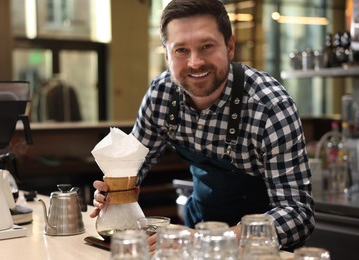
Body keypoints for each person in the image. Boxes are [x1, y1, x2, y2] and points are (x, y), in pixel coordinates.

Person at [91, 0, 315, 252]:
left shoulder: (269, 106)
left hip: (261, 251)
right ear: (166, 55)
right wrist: (114, 194)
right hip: (197, 234)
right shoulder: (162, 95)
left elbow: (298, 214)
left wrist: (215, 240)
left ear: (230, 47)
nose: (195, 62)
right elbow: (132, 167)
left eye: (206, 46)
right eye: (181, 50)